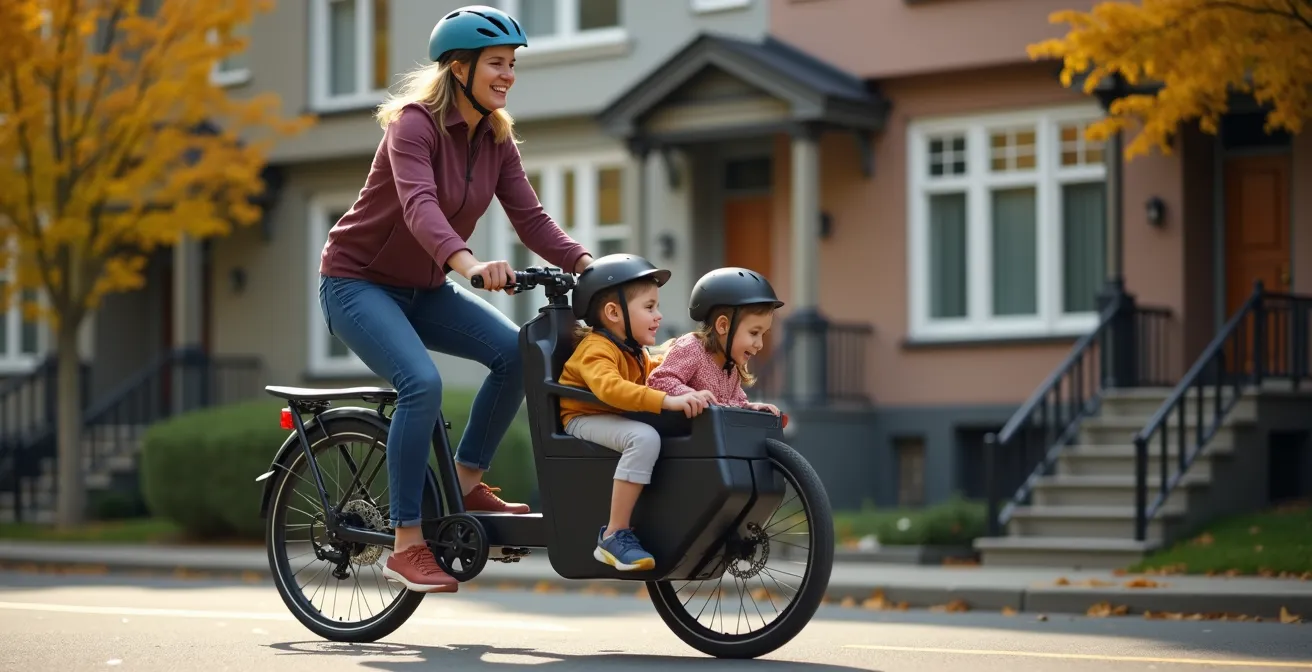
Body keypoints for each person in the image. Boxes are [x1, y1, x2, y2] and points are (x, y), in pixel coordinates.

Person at [317, 5, 594, 594]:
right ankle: (407, 542)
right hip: (356, 282)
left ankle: (467, 479)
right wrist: (467, 263)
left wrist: (592, 267)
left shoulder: (497, 138)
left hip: (425, 289)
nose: (508, 75)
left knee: (519, 352)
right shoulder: (413, 126)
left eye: (512, 64)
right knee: (422, 383)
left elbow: (533, 220)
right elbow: (420, 207)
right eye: (497, 63)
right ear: (458, 68)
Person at [557, 255, 717, 571]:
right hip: (582, 418)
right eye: (649, 307)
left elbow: (660, 374)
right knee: (643, 438)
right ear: (613, 313)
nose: (658, 316)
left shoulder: (635, 351)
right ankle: (614, 535)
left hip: (612, 415)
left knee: (665, 432)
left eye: (656, 307)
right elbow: (611, 389)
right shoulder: (596, 349)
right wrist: (665, 401)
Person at [648, 268, 786, 415]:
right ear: (723, 326)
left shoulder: (730, 365)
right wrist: (689, 394)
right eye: (754, 333)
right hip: (683, 434)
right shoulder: (692, 348)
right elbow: (658, 381)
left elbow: (732, 403)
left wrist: (749, 407)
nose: (760, 344)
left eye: (763, 335)